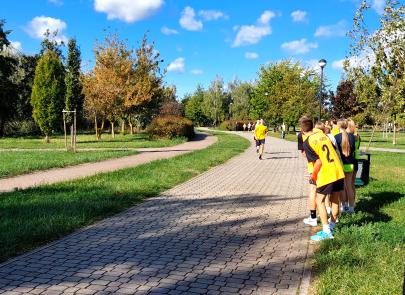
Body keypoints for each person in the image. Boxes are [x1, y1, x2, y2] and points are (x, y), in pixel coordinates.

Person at [300, 116, 345, 241]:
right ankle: (332, 226)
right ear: (312, 126)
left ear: (301, 130)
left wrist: (313, 175)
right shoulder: (324, 136)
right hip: (337, 170)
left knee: (320, 201)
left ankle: (326, 231)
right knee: (336, 200)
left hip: (326, 173)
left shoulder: (308, 142)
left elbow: (318, 162)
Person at [300, 119, 325, 227]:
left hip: (314, 167)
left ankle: (313, 217)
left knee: (313, 190)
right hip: (325, 166)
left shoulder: (306, 138)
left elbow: (305, 154)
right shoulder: (321, 134)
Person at [335, 118, 356, 213]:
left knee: (342, 187)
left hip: (341, 165)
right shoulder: (352, 137)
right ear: (347, 125)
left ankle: (344, 206)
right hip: (350, 164)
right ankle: (351, 208)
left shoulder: (336, 137)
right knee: (350, 186)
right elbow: (354, 150)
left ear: (338, 126)